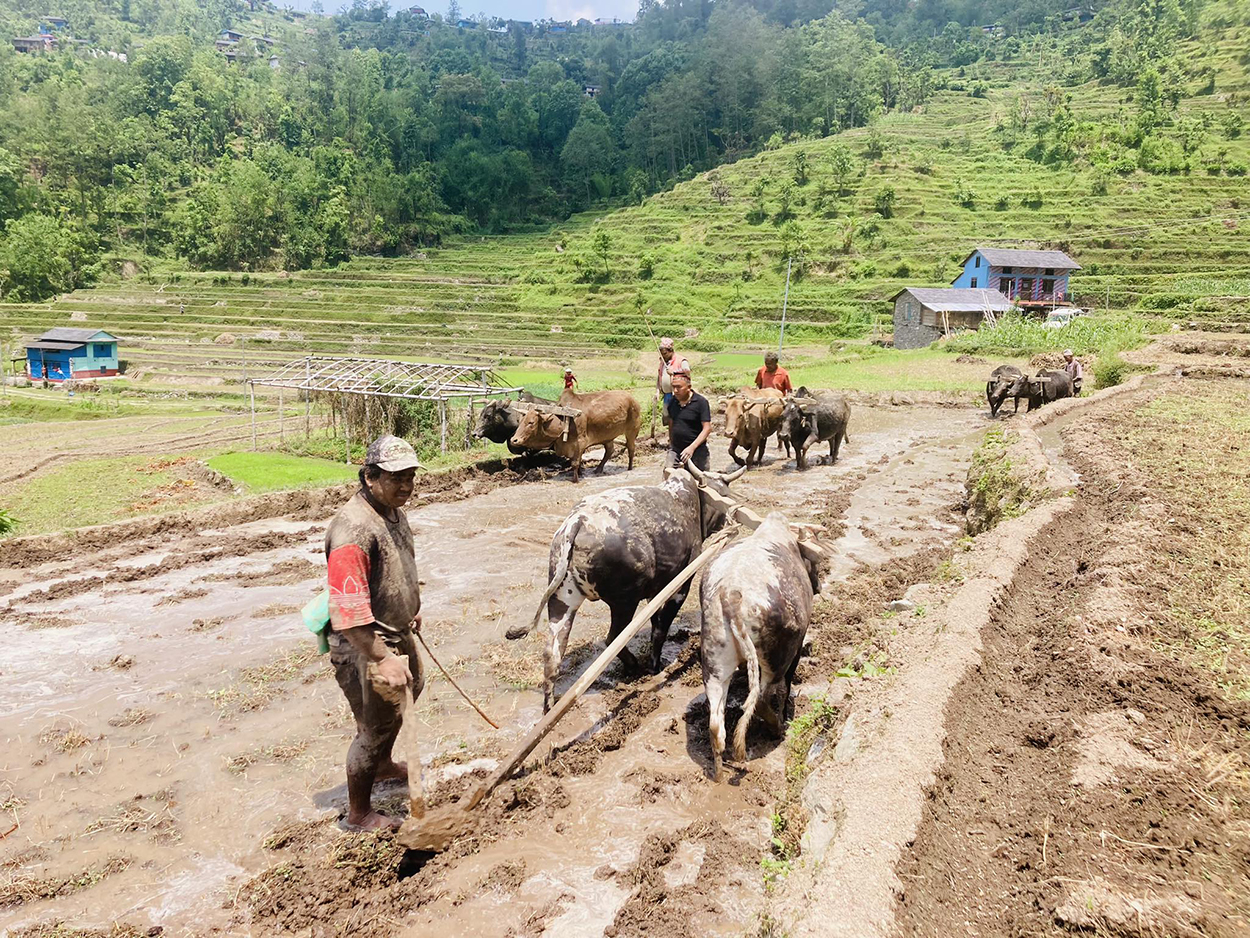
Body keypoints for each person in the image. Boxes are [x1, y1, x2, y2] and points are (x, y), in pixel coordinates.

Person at [324, 435, 426, 831]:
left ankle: (383, 764)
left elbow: (396, 567)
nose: (406, 486)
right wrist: (382, 657)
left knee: (409, 693)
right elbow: (348, 616)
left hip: (395, 632)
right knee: (373, 727)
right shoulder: (352, 531)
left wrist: (411, 607)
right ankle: (359, 814)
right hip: (364, 645)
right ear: (369, 476)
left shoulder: (393, 511)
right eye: (396, 477)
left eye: (411, 477)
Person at [665, 370, 712, 471]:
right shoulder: (673, 402)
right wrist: (671, 443)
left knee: (700, 481)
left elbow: (707, 428)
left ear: (689, 388)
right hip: (676, 450)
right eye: (673, 387)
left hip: (697, 450)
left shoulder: (701, 402)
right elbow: (671, 423)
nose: (675, 391)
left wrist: (692, 447)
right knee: (668, 474)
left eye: (679, 387)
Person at [656, 337, 690, 427]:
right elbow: (659, 376)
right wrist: (657, 391)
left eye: (665, 353)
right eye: (661, 354)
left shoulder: (681, 360)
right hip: (667, 394)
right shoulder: (663, 362)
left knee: (678, 416)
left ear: (670, 351)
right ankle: (671, 437)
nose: (663, 356)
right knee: (668, 417)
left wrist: (674, 372)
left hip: (679, 395)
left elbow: (688, 372)